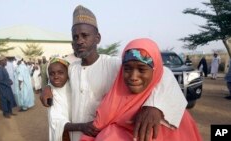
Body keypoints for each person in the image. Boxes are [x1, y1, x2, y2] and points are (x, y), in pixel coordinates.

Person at [40, 5, 187, 141]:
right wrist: (47, 86)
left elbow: (163, 74)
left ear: (97, 38)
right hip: (77, 135)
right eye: (75, 37)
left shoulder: (115, 65)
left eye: (85, 36)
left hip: (104, 135)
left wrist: (155, 106)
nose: (80, 41)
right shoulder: (72, 69)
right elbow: (57, 78)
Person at [81, 38, 202, 141]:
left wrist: (155, 106)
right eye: (127, 69)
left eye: (142, 69)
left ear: (156, 71)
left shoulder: (172, 115)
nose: (133, 77)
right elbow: (93, 131)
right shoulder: (113, 101)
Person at [47, 57, 71, 141]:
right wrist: (81, 127)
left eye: (60, 72)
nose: (56, 77)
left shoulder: (74, 88)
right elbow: (55, 120)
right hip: (63, 134)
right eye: (52, 74)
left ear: (68, 74)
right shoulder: (51, 94)